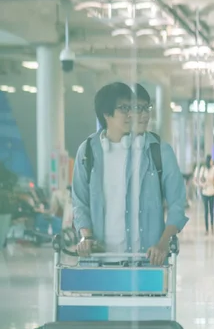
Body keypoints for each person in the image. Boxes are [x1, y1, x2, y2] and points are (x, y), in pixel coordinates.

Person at [72, 82, 188, 265]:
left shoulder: (157, 151)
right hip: (99, 261)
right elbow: (80, 202)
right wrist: (86, 237)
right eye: (125, 108)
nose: (133, 114)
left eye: (140, 108)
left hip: (146, 261)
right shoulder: (87, 152)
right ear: (106, 114)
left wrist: (162, 244)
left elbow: (177, 203)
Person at [195, 154, 214, 234]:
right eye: (211, 160)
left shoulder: (213, 169)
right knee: (206, 211)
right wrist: (203, 183)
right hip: (204, 192)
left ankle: (212, 226)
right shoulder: (203, 169)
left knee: (211, 210)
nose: (212, 162)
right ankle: (206, 229)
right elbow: (200, 179)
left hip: (211, 192)